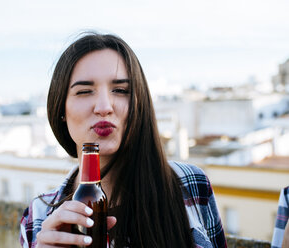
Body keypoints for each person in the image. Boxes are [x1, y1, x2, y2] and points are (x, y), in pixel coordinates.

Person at [19, 32, 227, 247]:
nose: (104, 107)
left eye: (120, 90)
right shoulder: (40, 216)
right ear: (61, 109)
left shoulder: (190, 183)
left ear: (139, 103)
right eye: (84, 91)